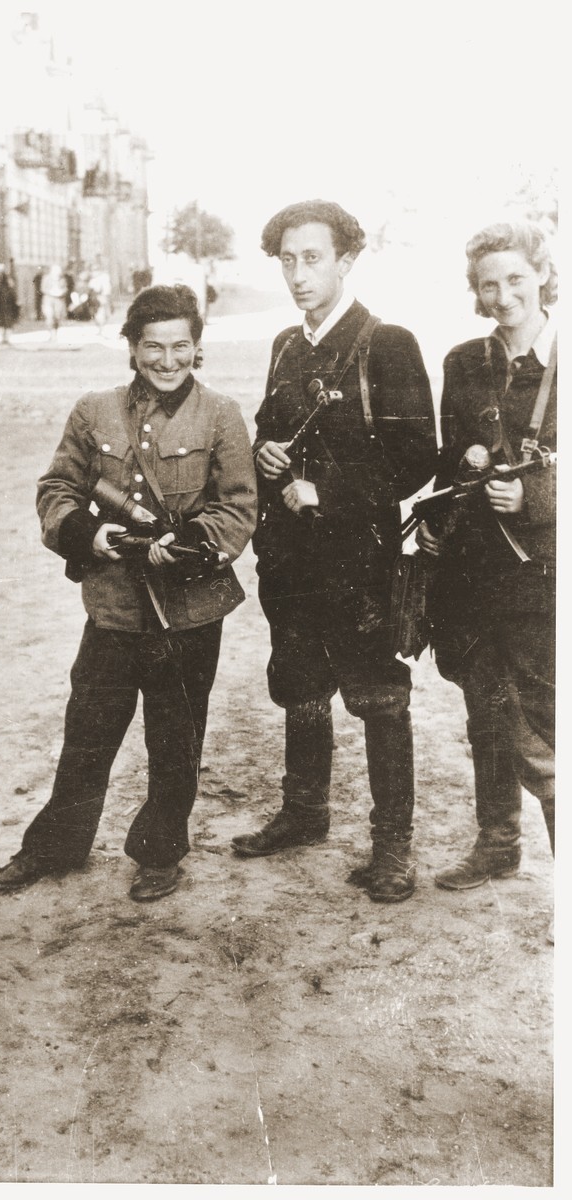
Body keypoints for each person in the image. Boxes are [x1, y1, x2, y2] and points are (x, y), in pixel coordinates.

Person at [0, 284, 257, 901]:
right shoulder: (94, 411)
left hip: (189, 610)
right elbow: (56, 489)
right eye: (153, 347)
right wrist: (91, 534)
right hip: (113, 606)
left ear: (198, 347)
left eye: (181, 347)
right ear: (132, 348)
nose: (168, 362)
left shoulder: (220, 414)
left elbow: (239, 507)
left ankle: (161, 851)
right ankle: (57, 845)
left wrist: (186, 544)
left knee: (175, 735)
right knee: (88, 730)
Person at [230, 200, 437, 902]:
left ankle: (393, 845)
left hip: (360, 557)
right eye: (287, 260)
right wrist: (267, 452)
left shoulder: (388, 343)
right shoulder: (288, 345)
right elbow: (267, 427)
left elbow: (418, 458)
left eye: (312, 258)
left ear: (346, 261)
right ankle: (304, 811)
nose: (297, 274)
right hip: (290, 557)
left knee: (379, 696)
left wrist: (327, 489)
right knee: (301, 683)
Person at [418, 221, 556, 902]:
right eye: (488, 283)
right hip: (475, 571)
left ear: (544, 276)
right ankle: (498, 843)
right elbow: (449, 462)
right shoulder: (463, 363)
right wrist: (464, 473)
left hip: (547, 573)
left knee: (545, 720)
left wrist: (532, 493)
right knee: (484, 710)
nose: (503, 295)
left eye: (516, 280)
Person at [41, 263, 69, 340]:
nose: (57, 273)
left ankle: (55, 334)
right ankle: (51, 333)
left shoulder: (62, 279)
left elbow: (66, 289)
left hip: (58, 300)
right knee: (49, 316)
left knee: (57, 317)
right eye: (56, 271)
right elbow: (43, 288)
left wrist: (61, 292)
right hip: (48, 300)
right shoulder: (46, 278)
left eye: (58, 271)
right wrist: (51, 292)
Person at [0, 264, 19, 344]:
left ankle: (5, 337)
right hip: (3, 304)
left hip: (5, 303)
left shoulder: (4, 279)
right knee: (4, 321)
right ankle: (5, 337)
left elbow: (11, 290)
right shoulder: (3, 280)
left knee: (5, 321)